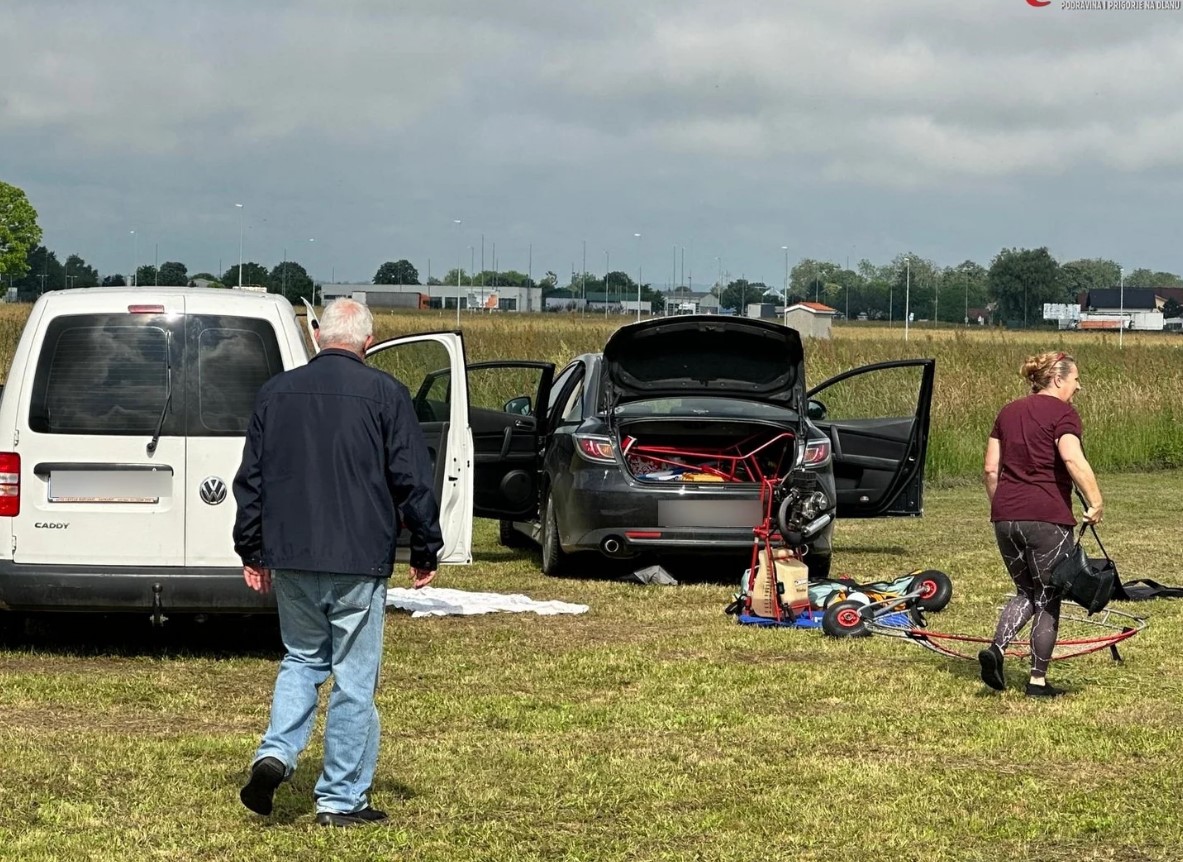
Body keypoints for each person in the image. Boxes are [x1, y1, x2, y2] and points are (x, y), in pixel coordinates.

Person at [232, 298, 443, 826]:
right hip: (358, 558)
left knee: (302, 659)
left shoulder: (275, 393)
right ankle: (340, 799)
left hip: (293, 556)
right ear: (367, 342)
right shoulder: (387, 394)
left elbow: (251, 479)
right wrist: (425, 546)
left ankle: (276, 754)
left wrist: (251, 548)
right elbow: (412, 478)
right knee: (354, 677)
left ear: (319, 336)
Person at [980, 351, 1103, 697]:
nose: (1078, 386)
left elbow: (991, 470)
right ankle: (1037, 680)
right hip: (1047, 517)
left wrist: (1002, 507)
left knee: (1025, 592)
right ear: (1058, 379)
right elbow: (1072, 458)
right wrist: (1096, 501)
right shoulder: (1064, 413)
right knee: (1048, 596)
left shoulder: (1007, 411)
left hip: (1005, 517)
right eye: (1076, 379)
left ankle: (997, 649)